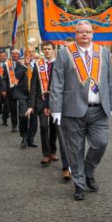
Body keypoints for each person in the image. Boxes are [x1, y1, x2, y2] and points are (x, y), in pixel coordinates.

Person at [50, 20, 112, 200]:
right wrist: (55, 109)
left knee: (101, 143)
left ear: (93, 34)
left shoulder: (103, 52)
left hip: (99, 110)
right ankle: (79, 184)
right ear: (76, 34)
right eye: (81, 32)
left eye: (88, 32)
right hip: (72, 110)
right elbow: (57, 83)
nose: (85, 35)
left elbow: (111, 80)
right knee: (75, 149)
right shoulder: (64, 53)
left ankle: (88, 170)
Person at [26, 42, 70, 178]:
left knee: (54, 128)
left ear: (54, 50)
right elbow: (33, 86)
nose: (46, 51)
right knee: (44, 126)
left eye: (49, 49)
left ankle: (52, 150)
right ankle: (46, 154)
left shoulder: (59, 64)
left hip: (56, 102)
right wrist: (31, 105)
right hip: (40, 102)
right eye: (44, 49)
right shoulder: (38, 66)